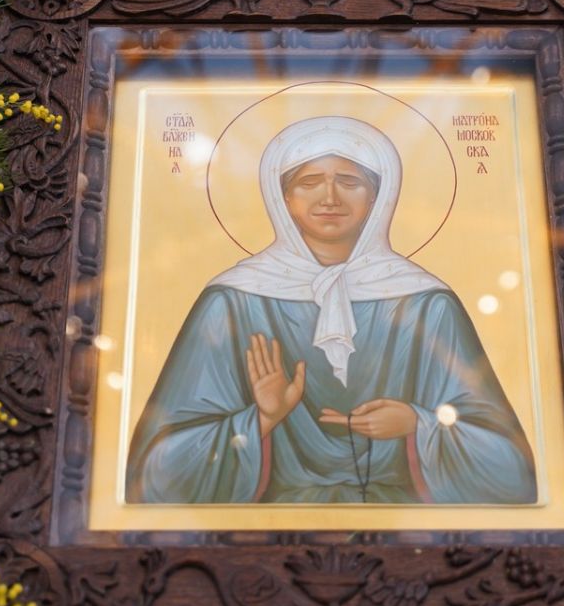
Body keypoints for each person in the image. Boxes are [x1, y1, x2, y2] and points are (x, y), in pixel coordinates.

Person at [126, 116, 538, 506]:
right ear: (283, 197)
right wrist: (261, 420)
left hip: (407, 527)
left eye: (349, 181)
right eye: (309, 182)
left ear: (377, 195)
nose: (329, 198)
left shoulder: (428, 304)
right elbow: (155, 476)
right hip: (264, 526)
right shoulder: (231, 302)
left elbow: (512, 474)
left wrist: (418, 424)